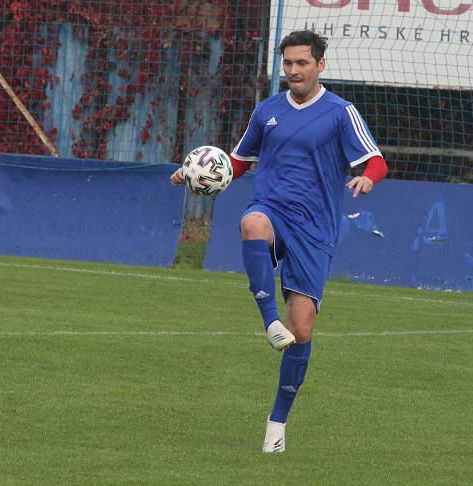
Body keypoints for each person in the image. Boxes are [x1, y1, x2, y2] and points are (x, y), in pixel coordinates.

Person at [171, 30, 388, 453]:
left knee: (302, 330)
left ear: (320, 65)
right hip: (272, 209)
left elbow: (375, 158)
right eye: (288, 64)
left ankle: (276, 424)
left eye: (301, 63)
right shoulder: (267, 111)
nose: (293, 71)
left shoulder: (341, 113)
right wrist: (193, 173)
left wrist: (367, 176)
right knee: (252, 222)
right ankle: (269, 320)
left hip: (315, 229)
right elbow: (236, 161)